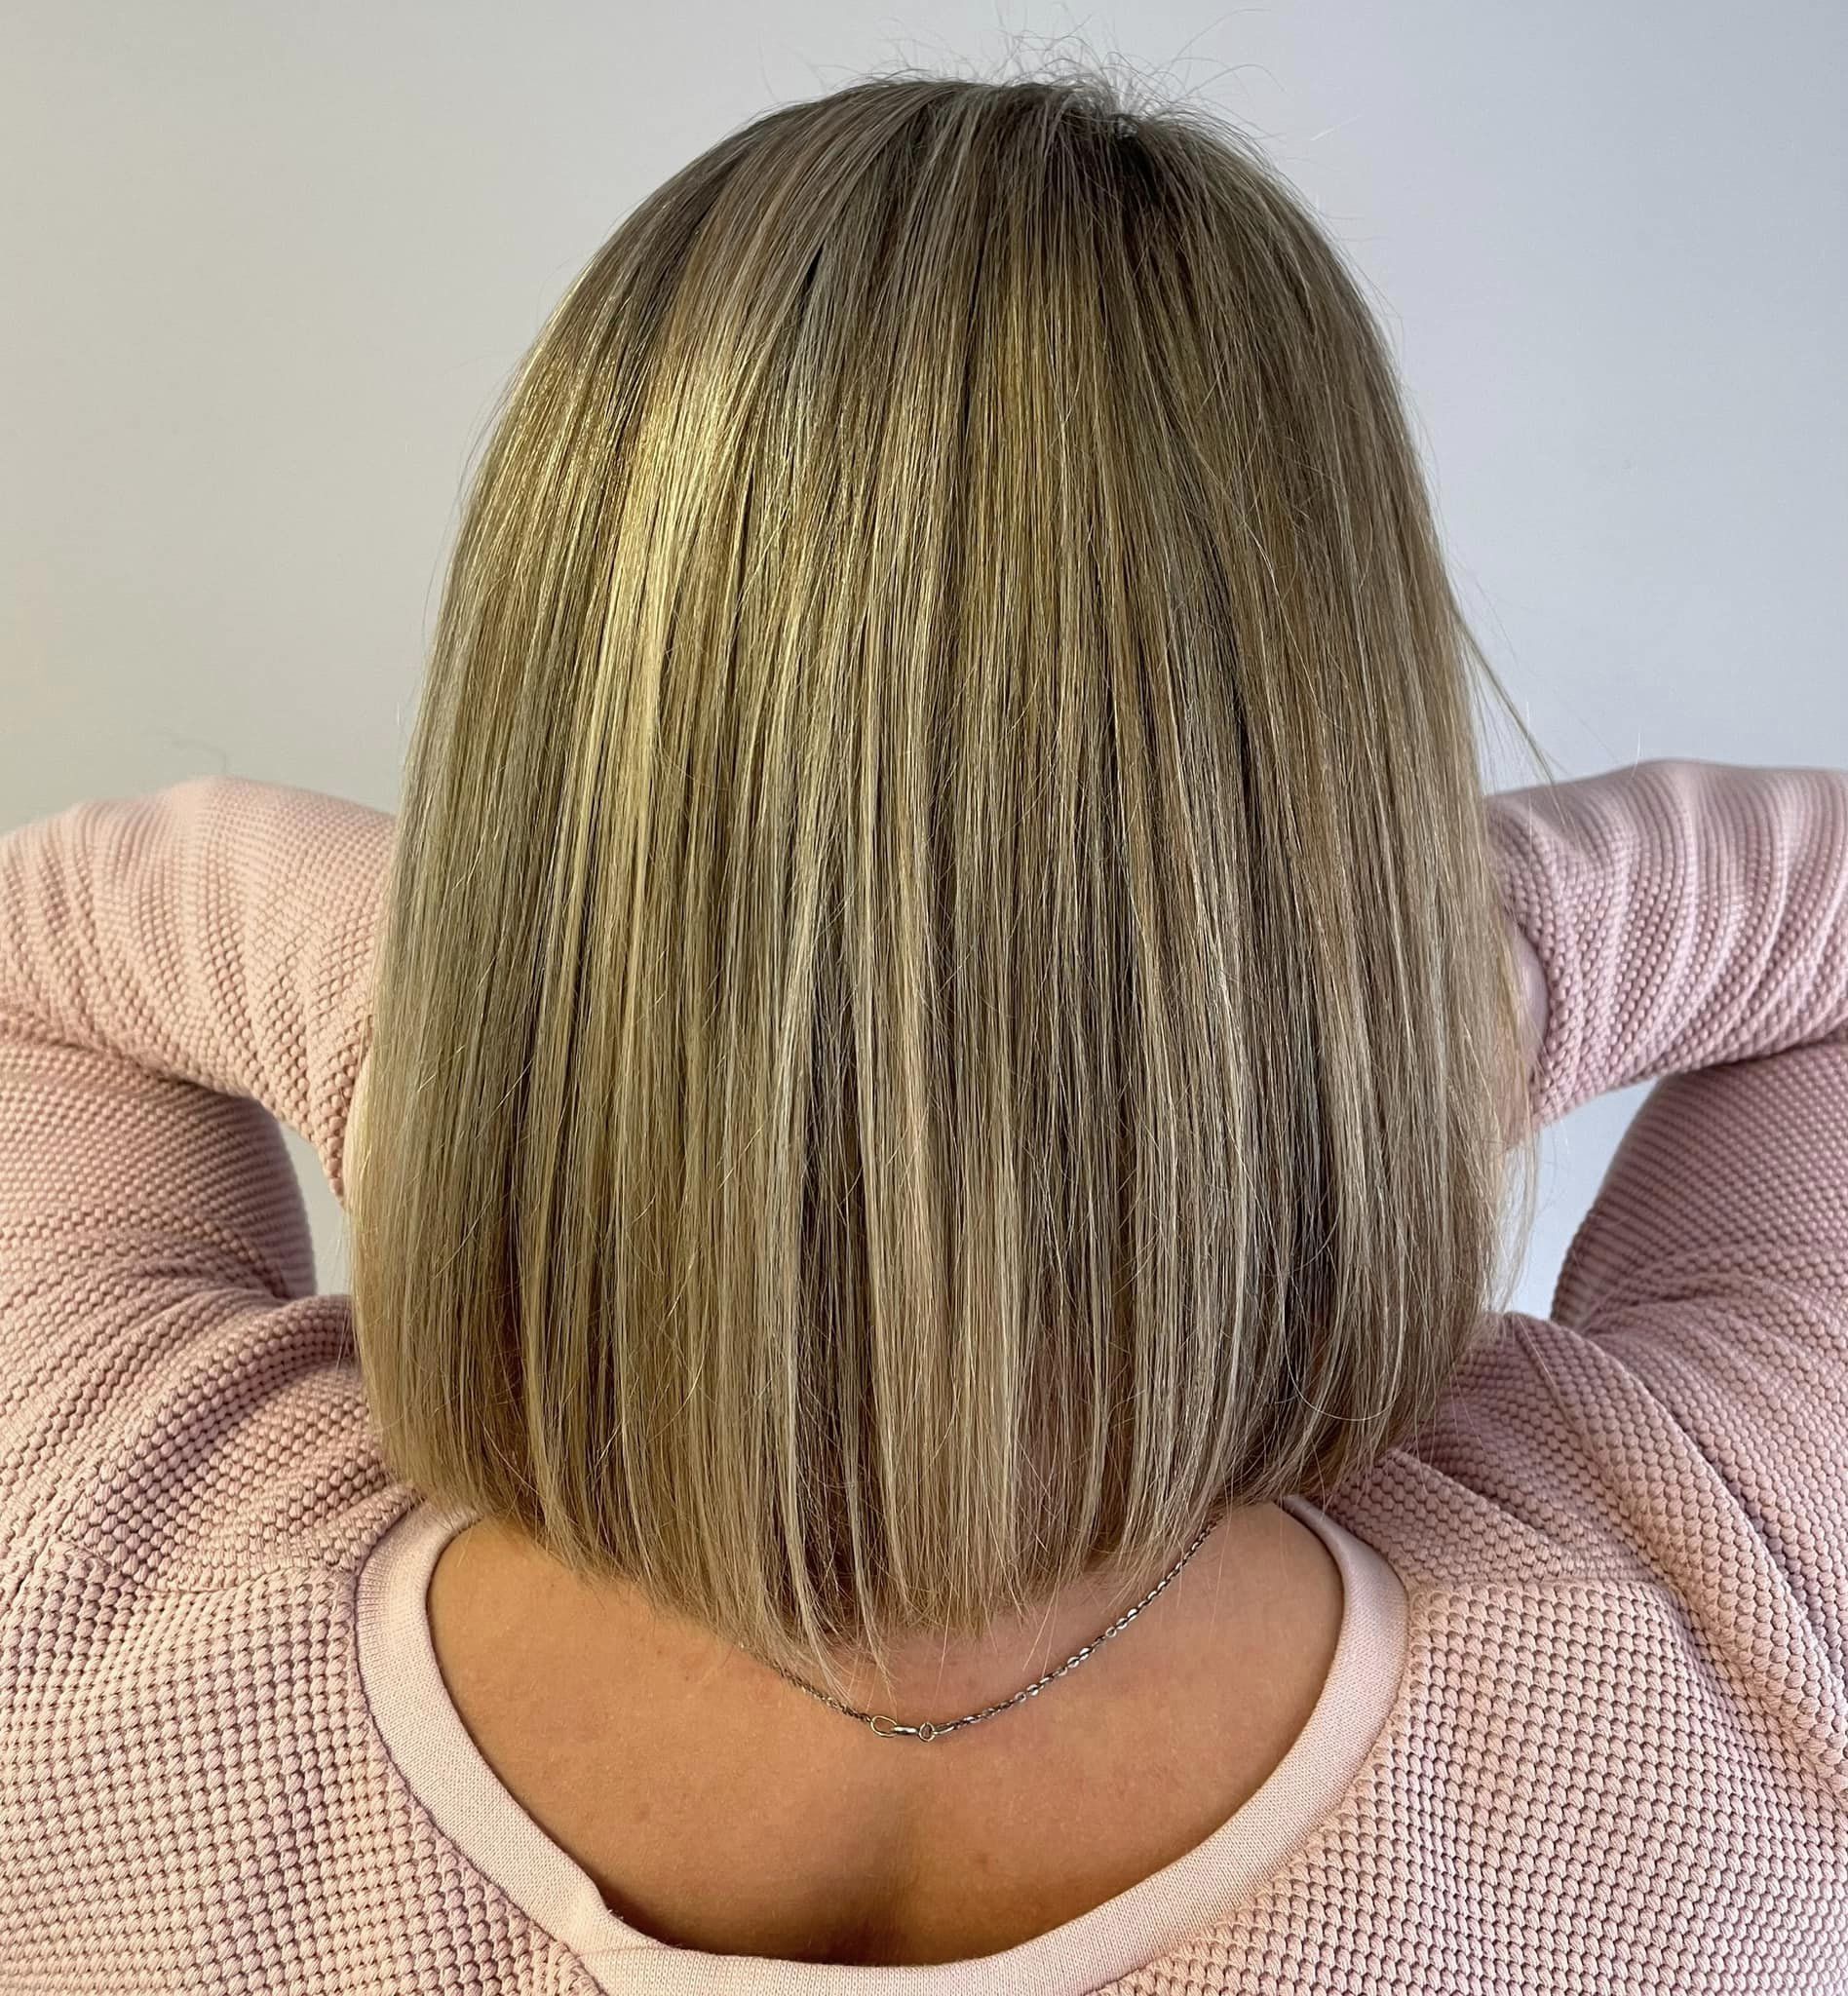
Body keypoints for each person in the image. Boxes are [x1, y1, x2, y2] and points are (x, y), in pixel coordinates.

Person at [2, 62, 1843, 1993]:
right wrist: (1337, 1032)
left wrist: (542, 1045)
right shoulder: (1725, 1637)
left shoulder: (96, 1596)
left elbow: (49, 944)